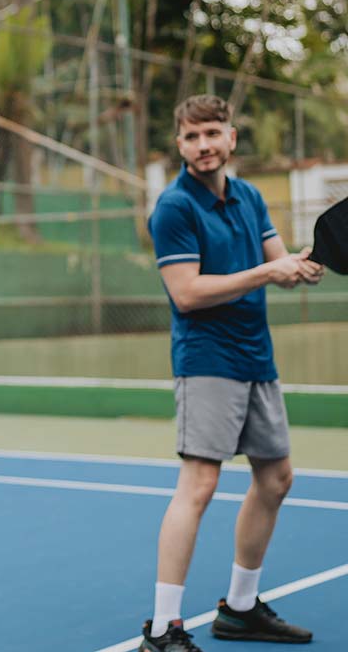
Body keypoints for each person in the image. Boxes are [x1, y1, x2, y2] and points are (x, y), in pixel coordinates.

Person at [139, 95, 320, 652]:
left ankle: (240, 610)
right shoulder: (173, 208)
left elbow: (284, 265)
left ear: (231, 138)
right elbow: (187, 293)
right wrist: (270, 270)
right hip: (207, 360)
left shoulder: (249, 197)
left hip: (254, 357)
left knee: (276, 478)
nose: (203, 146)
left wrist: (304, 263)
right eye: (192, 137)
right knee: (199, 485)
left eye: (212, 133)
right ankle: (163, 629)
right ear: (179, 144)